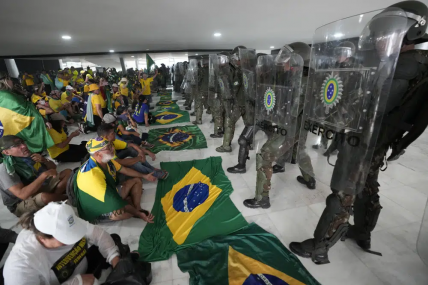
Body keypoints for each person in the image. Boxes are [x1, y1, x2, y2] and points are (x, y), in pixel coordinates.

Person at [289, 1, 428, 264]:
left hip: (364, 140)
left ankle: (319, 246)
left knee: (343, 193)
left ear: (414, 32)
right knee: (366, 188)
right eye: (380, 33)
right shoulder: (414, 65)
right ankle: (363, 232)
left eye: (387, 33)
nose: (379, 39)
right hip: (379, 141)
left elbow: (366, 110)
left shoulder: (401, 69)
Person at [243, 45, 307, 209]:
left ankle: (262, 199)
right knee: (292, 154)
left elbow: (292, 112)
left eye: (287, 60)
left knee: (264, 156)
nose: (282, 64)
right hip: (282, 127)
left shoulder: (302, 82)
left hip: (288, 129)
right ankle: (308, 178)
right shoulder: (289, 77)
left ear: (296, 62)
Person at [4, 202, 121, 285]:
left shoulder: (62, 220)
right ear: (42, 237)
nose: (74, 240)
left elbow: (98, 235)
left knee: (113, 242)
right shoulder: (20, 266)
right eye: (65, 239)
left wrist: (117, 266)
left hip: (84, 269)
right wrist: (76, 283)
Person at [74, 137, 155, 223]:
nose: (113, 149)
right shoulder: (91, 175)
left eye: (111, 145)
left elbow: (125, 170)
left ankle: (137, 208)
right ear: (98, 154)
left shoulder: (107, 161)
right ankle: (104, 216)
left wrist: (144, 176)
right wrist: (138, 214)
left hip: (110, 192)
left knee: (137, 180)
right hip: (98, 204)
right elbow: (113, 201)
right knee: (123, 214)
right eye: (108, 148)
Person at [0, 135, 71, 217]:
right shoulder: (6, 168)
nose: (23, 146)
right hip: (20, 202)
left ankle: (56, 197)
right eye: (16, 145)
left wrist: (44, 160)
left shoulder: (28, 154)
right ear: (6, 152)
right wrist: (44, 175)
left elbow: (53, 168)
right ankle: (64, 197)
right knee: (44, 197)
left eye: (22, 142)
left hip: (39, 187)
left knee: (68, 172)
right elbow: (22, 195)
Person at [97, 124, 168, 180]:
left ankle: (151, 169)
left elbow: (130, 145)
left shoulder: (111, 141)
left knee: (131, 150)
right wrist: (138, 158)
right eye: (112, 133)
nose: (115, 134)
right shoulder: (104, 149)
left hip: (116, 161)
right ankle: (154, 173)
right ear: (106, 137)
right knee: (133, 163)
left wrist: (141, 152)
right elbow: (119, 162)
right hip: (111, 172)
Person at [226, 48, 257, 173]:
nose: (235, 61)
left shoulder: (248, 71)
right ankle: (242, 161)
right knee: (246, 134)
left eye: (237, 59)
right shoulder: (245, 70)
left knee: (244, 137)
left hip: (250, 107)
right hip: (246, 105)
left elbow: (236, 86)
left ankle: (241, 164)